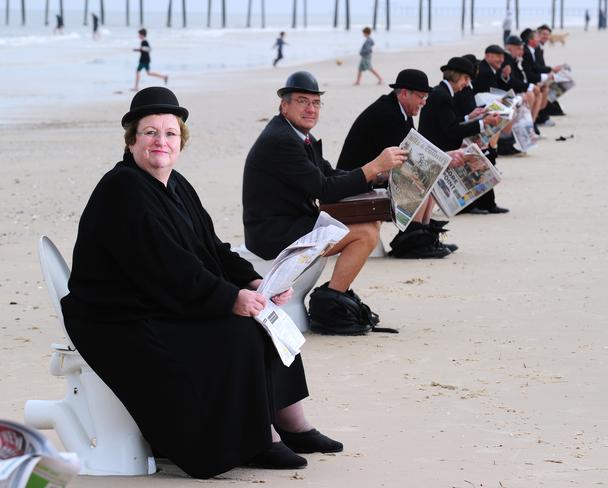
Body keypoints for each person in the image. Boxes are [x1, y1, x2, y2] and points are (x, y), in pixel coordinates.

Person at [61, 86, 343, 478]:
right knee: (241, 331)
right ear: (131, 140)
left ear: (181, 141)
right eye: (150, 132)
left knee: (269, 317)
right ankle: (258, 438)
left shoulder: (175, 184)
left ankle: (290, 421)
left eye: (170, 133)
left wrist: (255, 280)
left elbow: (213, 248)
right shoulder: (122, 189)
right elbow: (165, 268)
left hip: (162, 298)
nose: (161, 141)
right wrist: (230, 299)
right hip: (119, 317)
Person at [243, 71, 407, 335]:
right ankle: (330, 308)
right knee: (365, 233)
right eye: (302, 101)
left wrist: (379, 174)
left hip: (291, 221)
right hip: (273, 234)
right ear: (284, 105)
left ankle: (334, 298)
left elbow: (328, 174)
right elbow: (324, 189)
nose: (311, 108)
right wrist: (374, 165)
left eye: (316, 103)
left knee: (370, 221)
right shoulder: (282, 141)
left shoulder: (297, 135)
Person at [337, 69, 462, 258]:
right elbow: (406, 161)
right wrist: (444, 158)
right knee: (420, 175)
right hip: (357, 182)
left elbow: (413, 152)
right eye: (421, 96)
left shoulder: (401, 111)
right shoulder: (388, 114)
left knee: (432, 171)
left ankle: (423, 234)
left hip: (374, 175)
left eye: (426, 97)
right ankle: (413, 240)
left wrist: (446, 156)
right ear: (404, 93)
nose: (424, 102)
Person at [418, 57, 504, 215]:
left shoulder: (441, 92)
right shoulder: (443, 95)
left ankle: (481, 203)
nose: (467, 83)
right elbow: (452, 130)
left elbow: (449, 123)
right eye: (466, 78)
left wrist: (468, 117)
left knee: (481, 149)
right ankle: (472, 204)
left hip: (438, 142)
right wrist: (483, 123)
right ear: (456, 76)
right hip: (437, 148)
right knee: (478, 154)